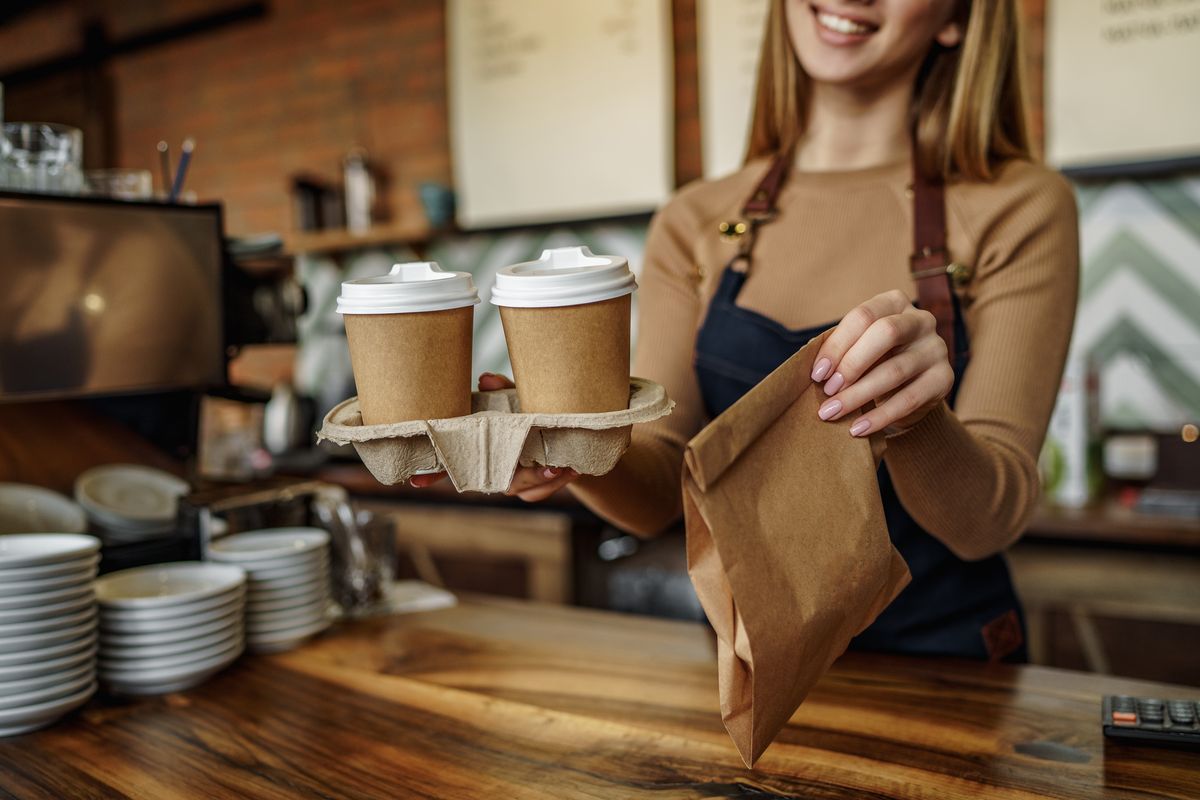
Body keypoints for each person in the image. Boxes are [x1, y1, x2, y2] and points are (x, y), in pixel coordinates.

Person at [417, 0, 1079, 661]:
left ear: (955, 19)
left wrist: (918, 419)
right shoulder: (695, 219)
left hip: (950, 664)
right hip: (753, 669)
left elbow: (987, 523)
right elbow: (660, 484)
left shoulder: (1021, 205)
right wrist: (570, 448)